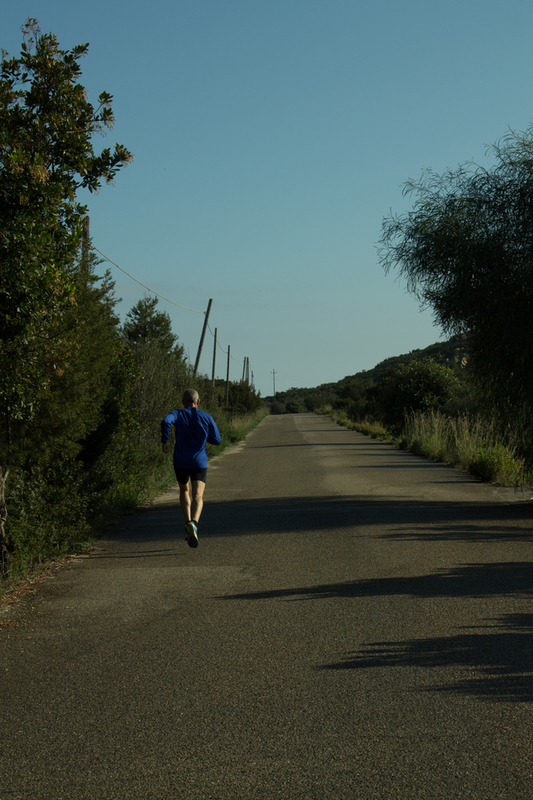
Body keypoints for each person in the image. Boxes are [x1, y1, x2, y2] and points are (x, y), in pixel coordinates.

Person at [161, 389, 221, 548]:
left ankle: (187, 522)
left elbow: (166, 422)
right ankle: (194, 523)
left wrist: (165, 441)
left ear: (183, 402)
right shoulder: (206, 417)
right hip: (199, 462)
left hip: (180, 461)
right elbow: (217, 440)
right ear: (198, 402)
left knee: (184, 491)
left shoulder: (178, 414)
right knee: (198, 495)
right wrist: (203, 434)